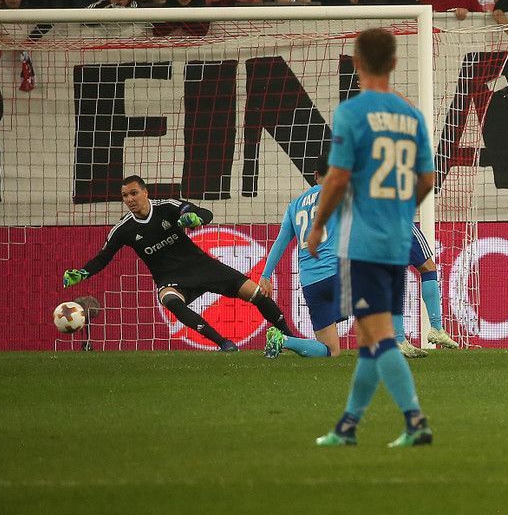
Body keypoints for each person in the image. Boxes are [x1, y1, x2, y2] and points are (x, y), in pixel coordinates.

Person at [308, 28, 436, 448]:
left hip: (361, 242)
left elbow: (337, 176)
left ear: (357, 64)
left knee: (380, 337)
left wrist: (318, 225)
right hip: (397, 240)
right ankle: (348, 426)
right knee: (367, 340)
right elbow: (427, 178)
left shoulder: (352, 112)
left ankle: (415, 420)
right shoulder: (411, 116)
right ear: (395, 63)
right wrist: (400, 209)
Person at [62, 176, 293, 352]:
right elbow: (103, 257)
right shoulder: (123, 229)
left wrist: (195, 217)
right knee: (168, 299)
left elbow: (200, 211)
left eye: (133, 193)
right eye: (125, 196)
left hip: (201, 266)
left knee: (256, 294)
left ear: (145, 192)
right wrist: (82, 273)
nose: (129, 199)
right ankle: (224, 343)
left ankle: (288, 337)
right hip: (170, 278)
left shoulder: (166, 207)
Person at [262, 155, 344, 358]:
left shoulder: (294, 205)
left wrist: (265, 275)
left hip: (311, 282)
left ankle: (283, 340)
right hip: (338, 274)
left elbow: (280, 243)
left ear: (315, 175)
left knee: (332, 351)